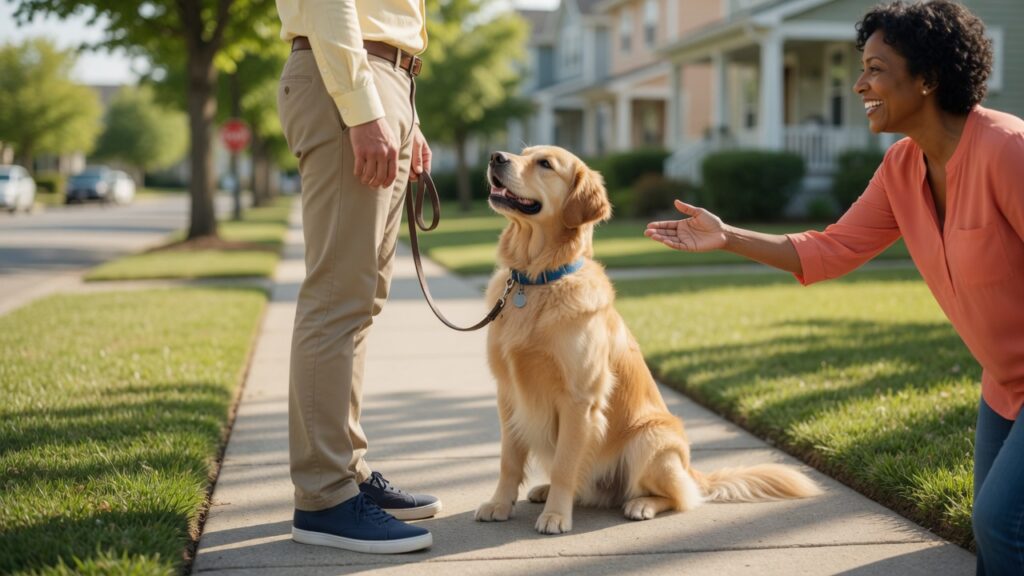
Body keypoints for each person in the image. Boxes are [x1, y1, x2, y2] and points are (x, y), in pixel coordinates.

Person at [644, 1, 1023, 573]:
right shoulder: (902, 167)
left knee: (1000, 522)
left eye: (875, 68)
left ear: (928, 78)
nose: (859, 83)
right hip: (1004, 387)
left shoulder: (1007, 150)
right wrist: (726, 237)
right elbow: (831, 248)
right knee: (995, 531)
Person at [275, 0, 439, 554]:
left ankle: (347, 470)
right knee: (336, 298)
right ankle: (323, 498)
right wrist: (365, 109)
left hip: (381, 79)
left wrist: (404, 115)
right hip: (344, 77)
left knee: (362, 298)